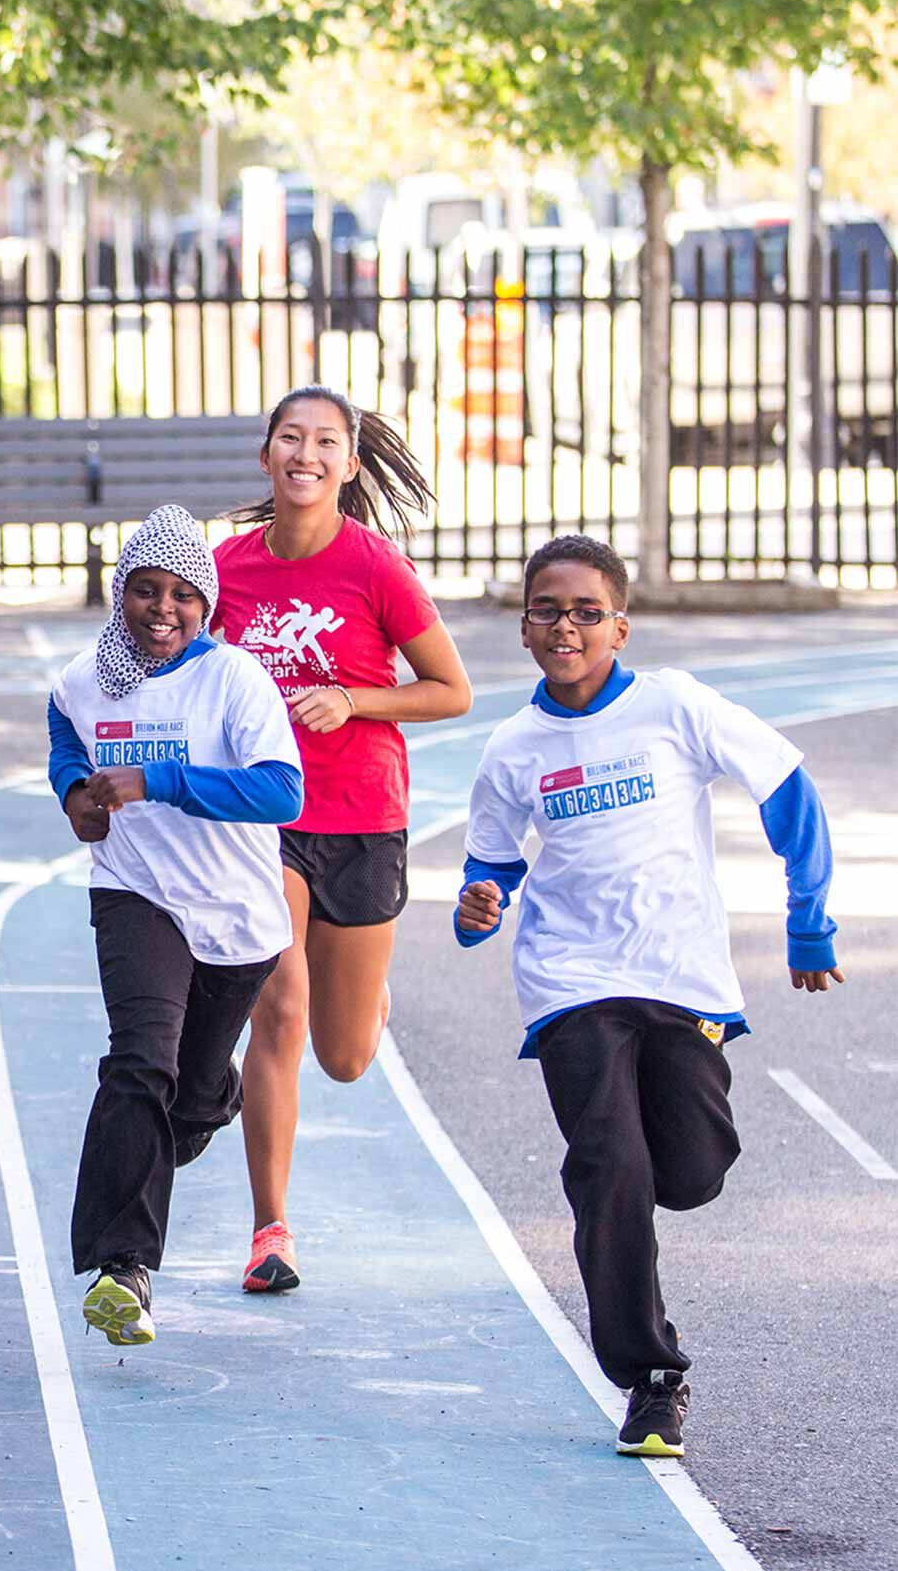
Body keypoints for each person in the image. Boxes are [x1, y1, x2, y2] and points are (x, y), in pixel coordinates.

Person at [456, 535, 841, 1457]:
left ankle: (650, 1184)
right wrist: (479, 908)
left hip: (680, 978)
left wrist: (809, 922)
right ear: (523, 627)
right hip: (570, 982)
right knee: (607, 1167)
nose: (567, 626)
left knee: (690, 1173)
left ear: (620, 627)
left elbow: (786, 785)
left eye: (588, 612)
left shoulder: (674, 707)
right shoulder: (513, 749)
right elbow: (491, 872)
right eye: (548, 609)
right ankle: (652, 1374)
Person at [211, 384, 471, 1294]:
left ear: (350, 464)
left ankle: (366, 998)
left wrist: (354, 697)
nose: (306, 454)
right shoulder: (228, 569)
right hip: (264, 822)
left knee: (345, 1055)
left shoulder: (375, 566)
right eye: (291, 437)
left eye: (326, 442)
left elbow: (451, 690)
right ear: (267, 453)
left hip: (363, 816)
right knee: (277, 1009)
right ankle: (270, 1231)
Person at [48, 505, 305, 1346]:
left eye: (183, 596)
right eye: (146, 592)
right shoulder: (77, 683)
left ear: (208, 603)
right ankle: (123, 1267)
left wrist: (158, 781)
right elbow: (69, 761)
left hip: (235, 915)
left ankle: (210, 1097)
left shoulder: (235, 680)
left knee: (188, 1097)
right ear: (119, 595)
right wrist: (78, 801)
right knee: (137, 1062)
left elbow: (280, 793)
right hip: (135, 893)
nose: (164, 610)